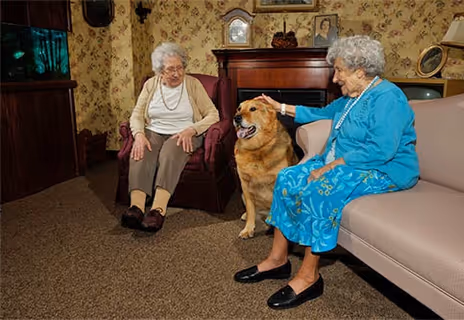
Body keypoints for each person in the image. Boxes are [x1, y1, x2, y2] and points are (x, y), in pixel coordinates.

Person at [234, 35, 419, 310]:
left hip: (384, 169)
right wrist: (278, 106)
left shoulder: (388, 97)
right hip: (343, 162)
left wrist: (332, 165)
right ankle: (278, 260)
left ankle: (309, 276)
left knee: (322, 189)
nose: (334, 78)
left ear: (360, 71)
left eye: (340, 70)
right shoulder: (352, 98)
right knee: (287, 177)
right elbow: (317, 112)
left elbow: (382, 149)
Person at [122, 42, 219, 232]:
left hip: (184, 133)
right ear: (160, 71)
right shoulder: (151, 85)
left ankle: (158, 210)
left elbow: (213, 114)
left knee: (169, 153)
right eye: (170, 69)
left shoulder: (193, 84)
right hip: (154, 130)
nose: (176, 73)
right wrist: (140, 135)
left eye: (180, 68)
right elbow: (137, 114)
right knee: (141, 151)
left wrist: (192, 129)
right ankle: (137, 207)